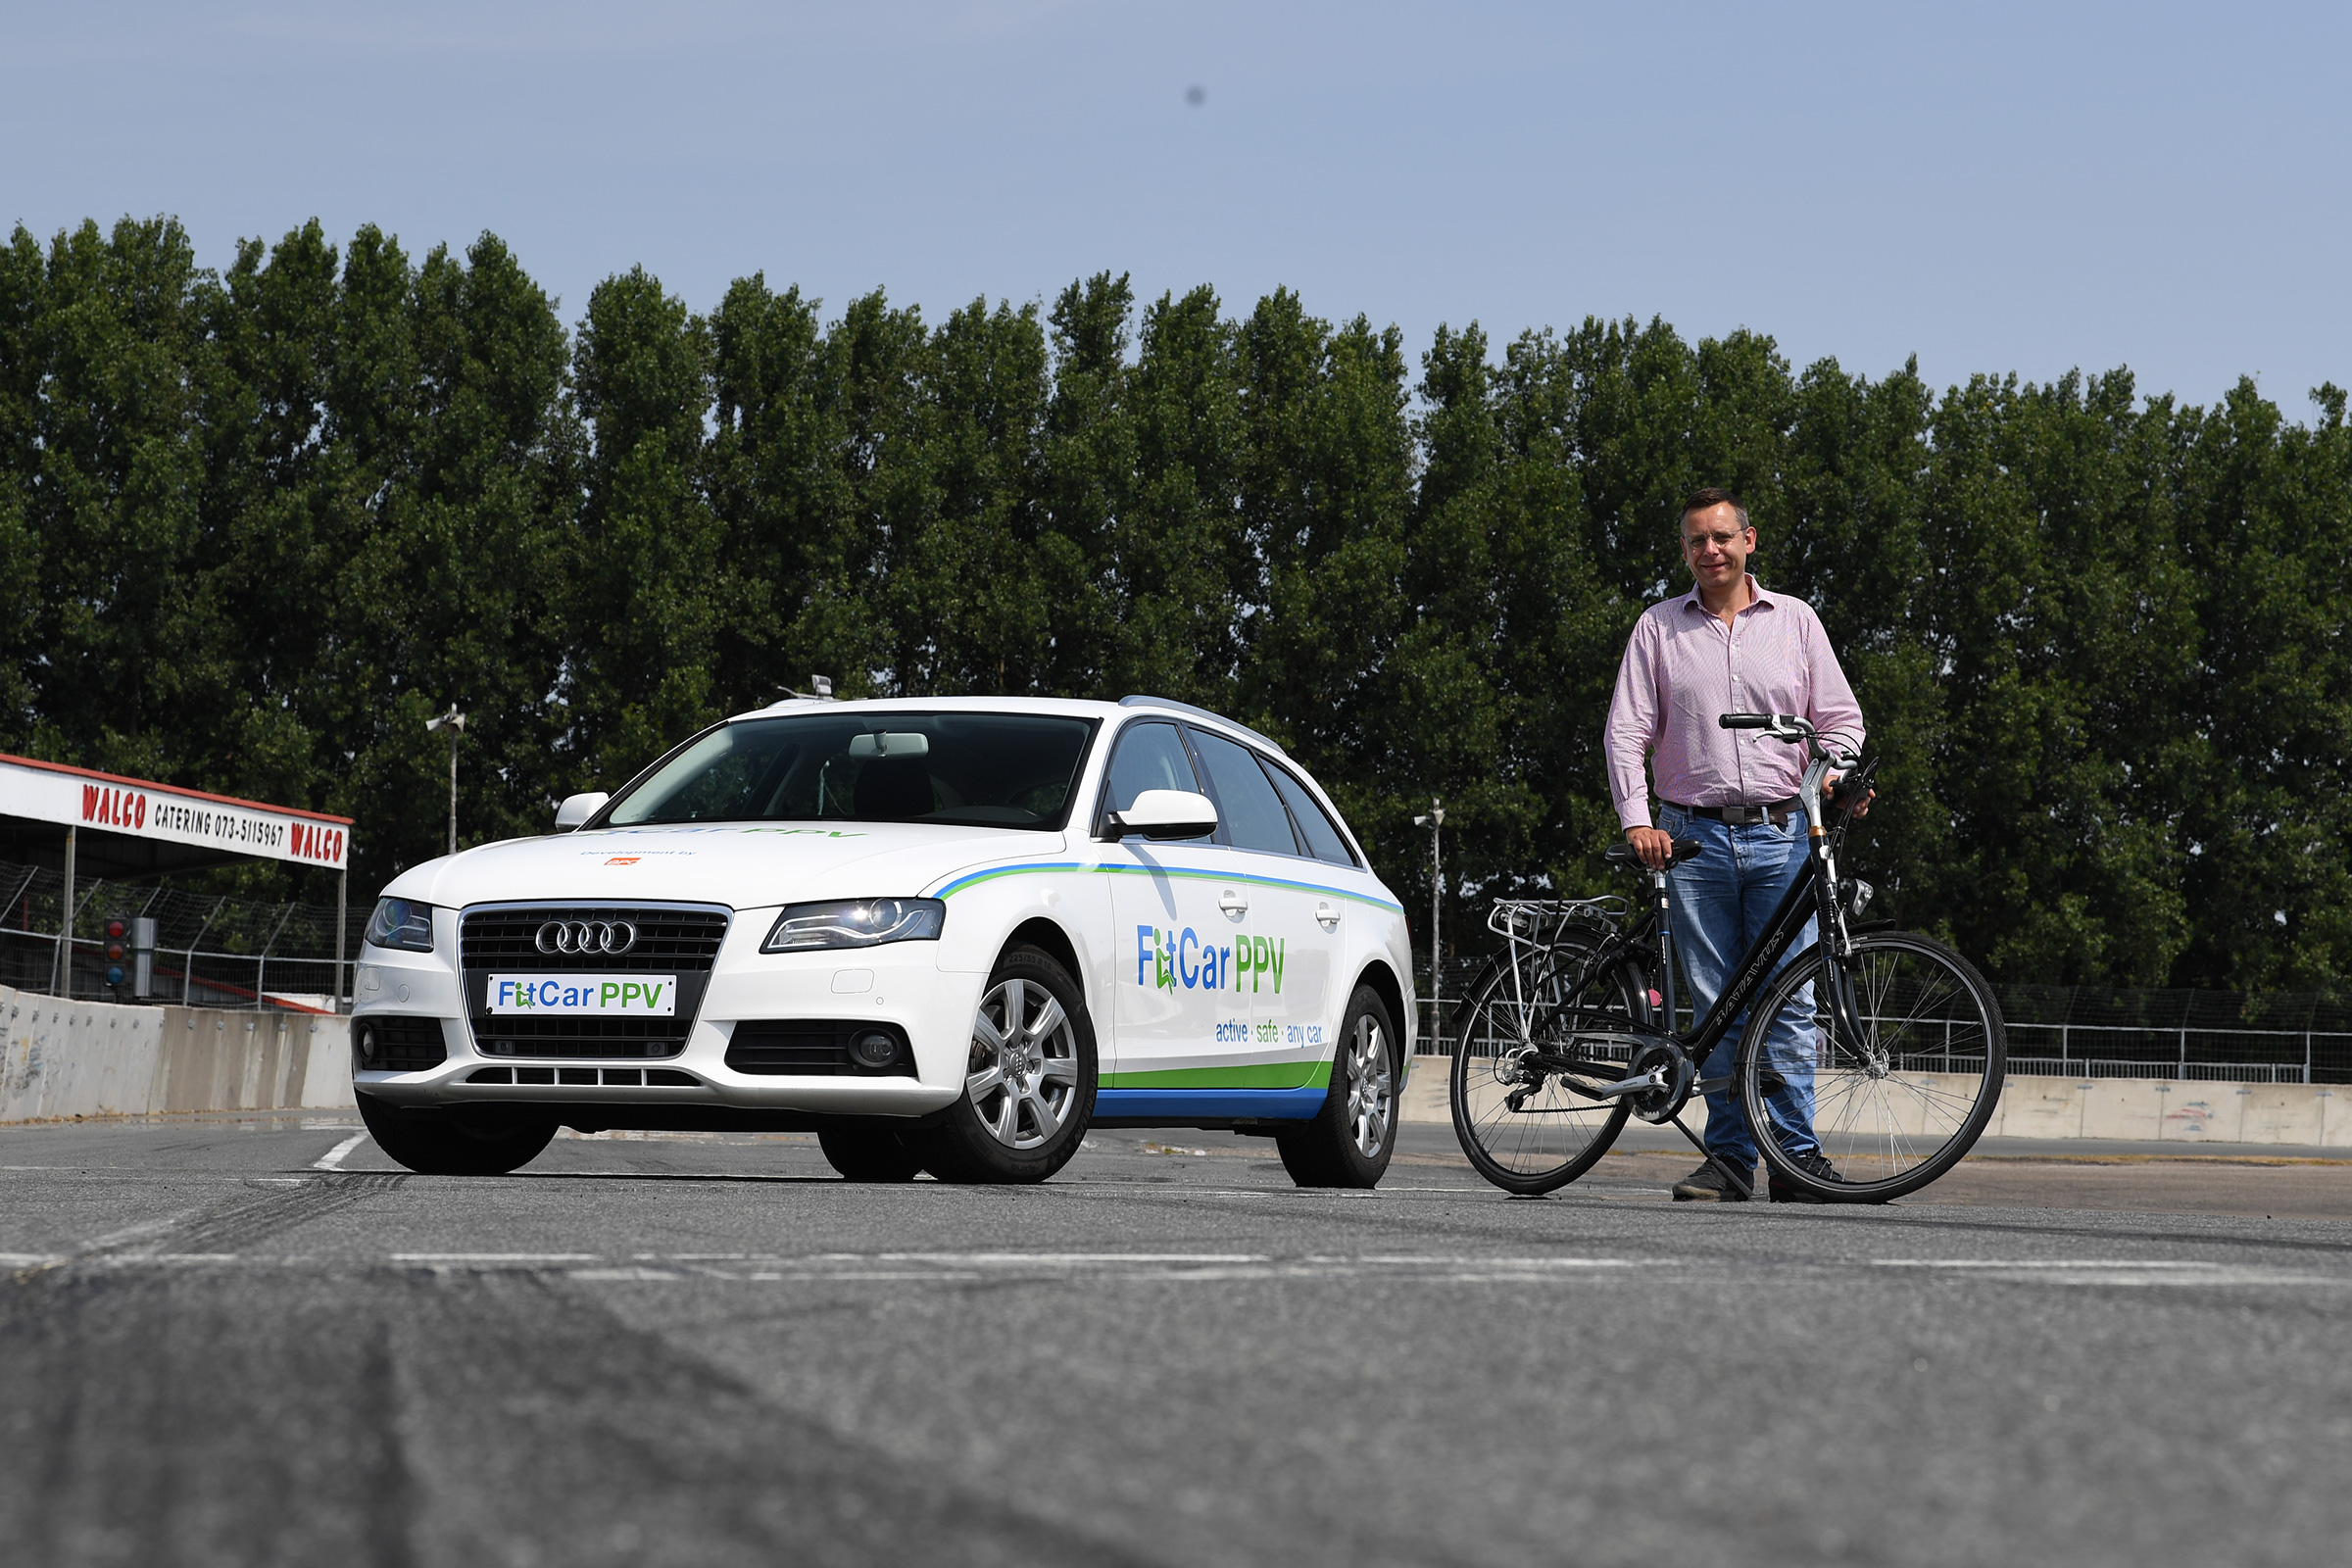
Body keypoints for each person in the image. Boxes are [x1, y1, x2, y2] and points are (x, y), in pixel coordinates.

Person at [1602, 486, 1865, 1201]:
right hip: (1691, 838)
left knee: (1792, 1001)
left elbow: (1840, 719)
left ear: (1751, 541)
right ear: (1685, 551)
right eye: (1696, 541)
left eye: (1722, 537)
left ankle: (1795, 1159)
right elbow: (1626, 732)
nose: (1710, 550)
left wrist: (1831, 776)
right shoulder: (1657, 629)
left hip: (1785, 832)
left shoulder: (1797, 623)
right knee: (1718, 1003)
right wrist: (1637, 821)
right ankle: (1727, 1161)